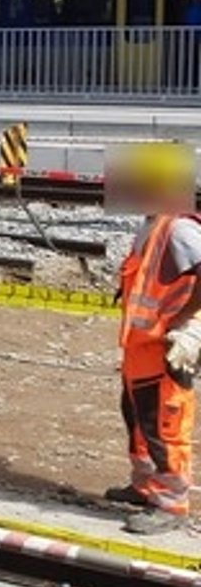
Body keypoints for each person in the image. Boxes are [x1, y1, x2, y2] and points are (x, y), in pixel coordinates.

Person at [106, 142, 201, 535]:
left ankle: (171, 503)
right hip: (139, 346)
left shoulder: (178, 228)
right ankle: (145, 485)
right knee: (138, 420)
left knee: (165, 426)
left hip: (163, 348)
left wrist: (182, 317)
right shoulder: (152, 222)